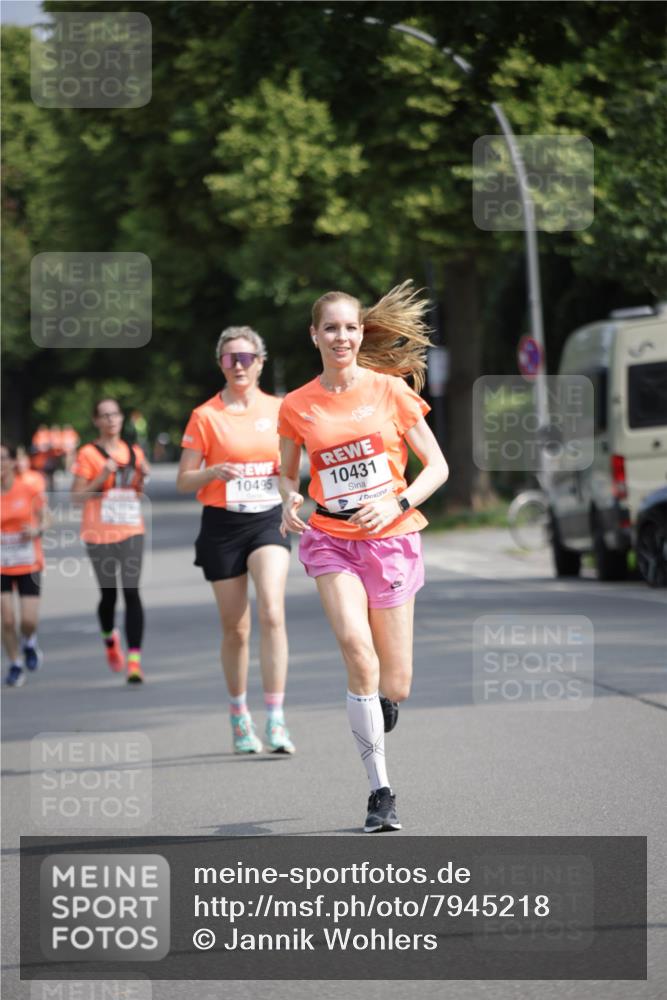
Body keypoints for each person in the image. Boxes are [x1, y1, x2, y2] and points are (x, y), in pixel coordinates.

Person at [279, 282, 449, 833]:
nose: (342, 336)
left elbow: (438, 468)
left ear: (361, 332)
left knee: (394, 683)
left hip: (392, 538)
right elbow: (287, 471)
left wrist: (396, 500)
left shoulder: (390, 391)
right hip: (331, 536)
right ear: (315, 335)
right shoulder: (297, 405)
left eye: (350, 327)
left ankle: (381, 703)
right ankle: (381, 792)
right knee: (357, 650)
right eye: (331, 328)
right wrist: (289, 498)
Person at [177, 326, 294, 755]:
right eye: (231, 359)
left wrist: (291, 492)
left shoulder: (281, 409)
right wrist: (212, 472)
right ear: (221, 364)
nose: (239, 366)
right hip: (222, 525)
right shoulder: (205, 415)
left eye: (247, 358)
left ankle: (277, 719)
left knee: (273, 612)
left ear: (260, 362)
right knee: (237, 629)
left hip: (266, 520)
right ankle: (240, 715)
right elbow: (183, 480)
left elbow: (291, 468)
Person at [71, 400, 149, 684]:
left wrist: (141, 480)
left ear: (121, 417)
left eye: (114, 414)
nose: (110, 419)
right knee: (109, 595)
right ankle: (109, 639)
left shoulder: (134, 452)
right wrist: (101, 476)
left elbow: (136, 492)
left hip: (131, 529)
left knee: (131, 591)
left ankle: (134, 661)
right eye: (104, 415)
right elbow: (76, 497)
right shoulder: (88, 454)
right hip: (98, 533)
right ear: (96, 421)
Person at [1, 444, 48, 687]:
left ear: (10, 462)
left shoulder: (28, 488)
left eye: (1, 459)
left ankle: (29, 641)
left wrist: (36, 530)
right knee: (7, 620)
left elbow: (47, 518)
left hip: (28, 561)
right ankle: (15, 664)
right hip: (2, 565)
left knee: (28, 621)